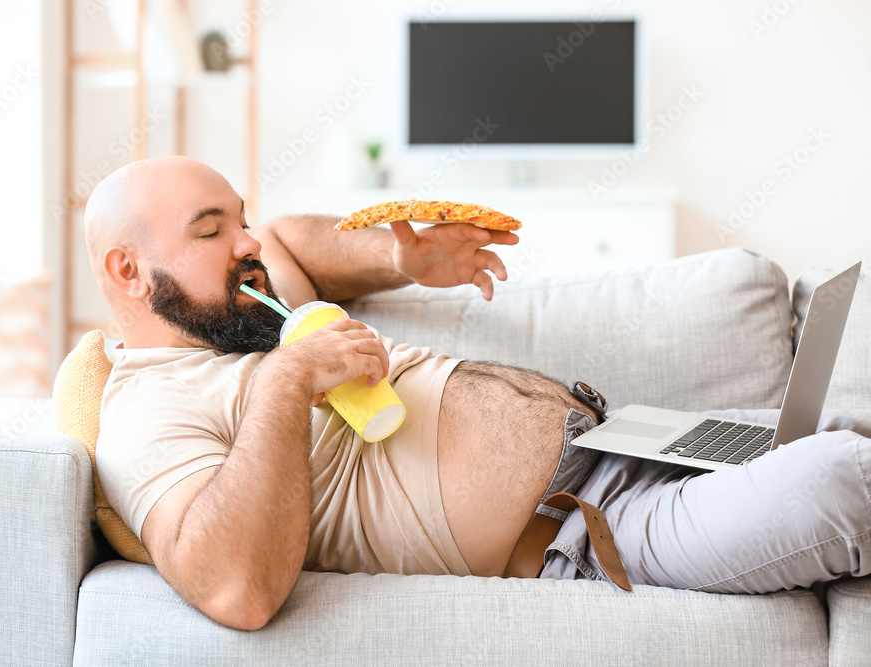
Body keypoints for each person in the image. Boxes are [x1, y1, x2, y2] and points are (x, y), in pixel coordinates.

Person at [85, 156, 871, 631]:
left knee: (847, 425)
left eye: (240, 220)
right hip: (592, 531)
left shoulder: (249, 315)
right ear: (127, 269)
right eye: (211, 229)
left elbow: (289, 238)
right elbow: (236, 588)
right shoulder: (147, 413)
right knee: (842, 479)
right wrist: (290, 382)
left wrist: (401, 261)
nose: (247, 243)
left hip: (629, 438)